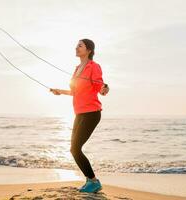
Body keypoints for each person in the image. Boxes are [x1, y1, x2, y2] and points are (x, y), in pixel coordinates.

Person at [50, 38, 109, 193]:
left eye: (80, 45)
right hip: (79, 113)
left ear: (88, 50)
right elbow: (75, 92)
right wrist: (60, 91)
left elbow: (99, 85)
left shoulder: (93, 66)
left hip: (91, 113)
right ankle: (90, 180)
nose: (76, 47)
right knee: (73, 149)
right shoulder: (77, 69)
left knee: (76, 149)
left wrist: (104, 88)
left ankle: (94, 182)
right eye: (76, 45)